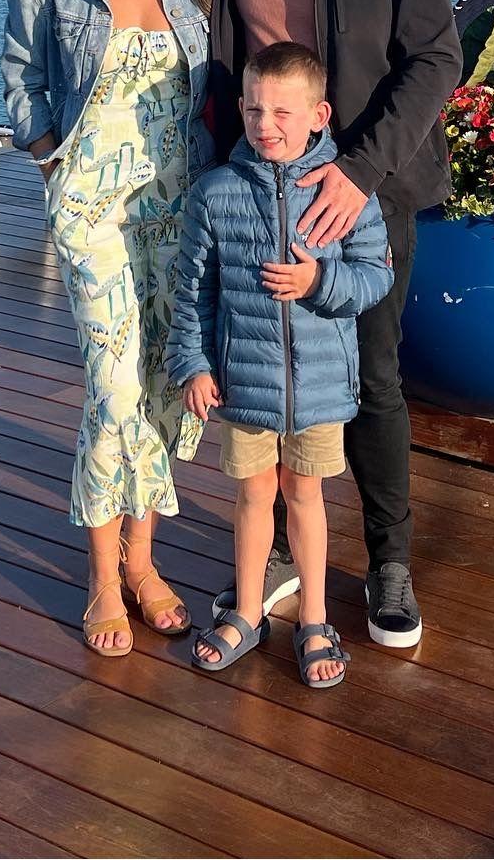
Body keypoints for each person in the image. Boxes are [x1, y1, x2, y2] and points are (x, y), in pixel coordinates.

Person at [208, 0, 462, 649]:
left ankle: (389, 560)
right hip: (255, 187)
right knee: (260, 367)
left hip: (365, 186)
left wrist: (355, 171)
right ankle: (275, 550)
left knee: (374, 375)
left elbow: (438, 58)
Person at [2, 0, 227, 656]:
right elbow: (21, 73)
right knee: (114, 383)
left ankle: (144, 561)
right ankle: (103, 577)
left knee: (167, 377)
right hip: (91, 206)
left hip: (179, 200)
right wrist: (47, 156)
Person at [168, 43, 392, 687]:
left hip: (321, 391)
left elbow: (375, 276)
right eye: (255, 109)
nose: (266, 125)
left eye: (283, 113)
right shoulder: (215, 193)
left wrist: (320, 281)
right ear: (239, 108)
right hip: (243, 386)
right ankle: (246, 611)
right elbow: (192, 291)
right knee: (252, 497)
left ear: (319, 114)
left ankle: (316, 619)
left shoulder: (345, 194)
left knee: (307, 498)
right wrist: (194, 365)